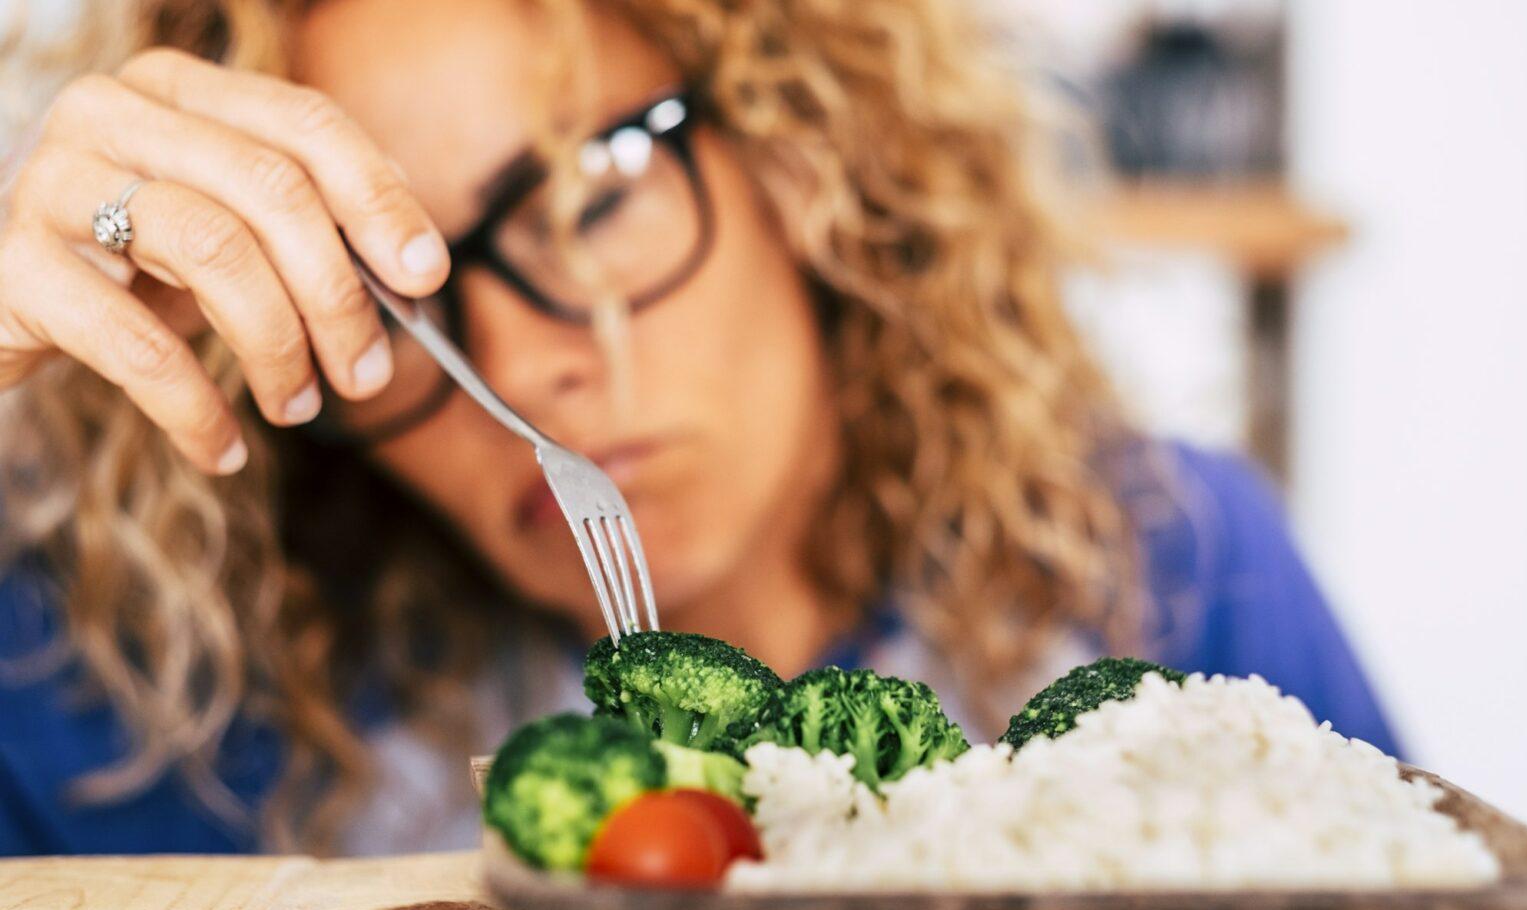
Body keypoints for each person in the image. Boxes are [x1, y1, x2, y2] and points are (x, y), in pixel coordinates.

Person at [0, 0, 1397, 856]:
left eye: (590, 197)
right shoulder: (184, 713)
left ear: (805, 157)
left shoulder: (1170, 566)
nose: (528, 368)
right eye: (383, 304)